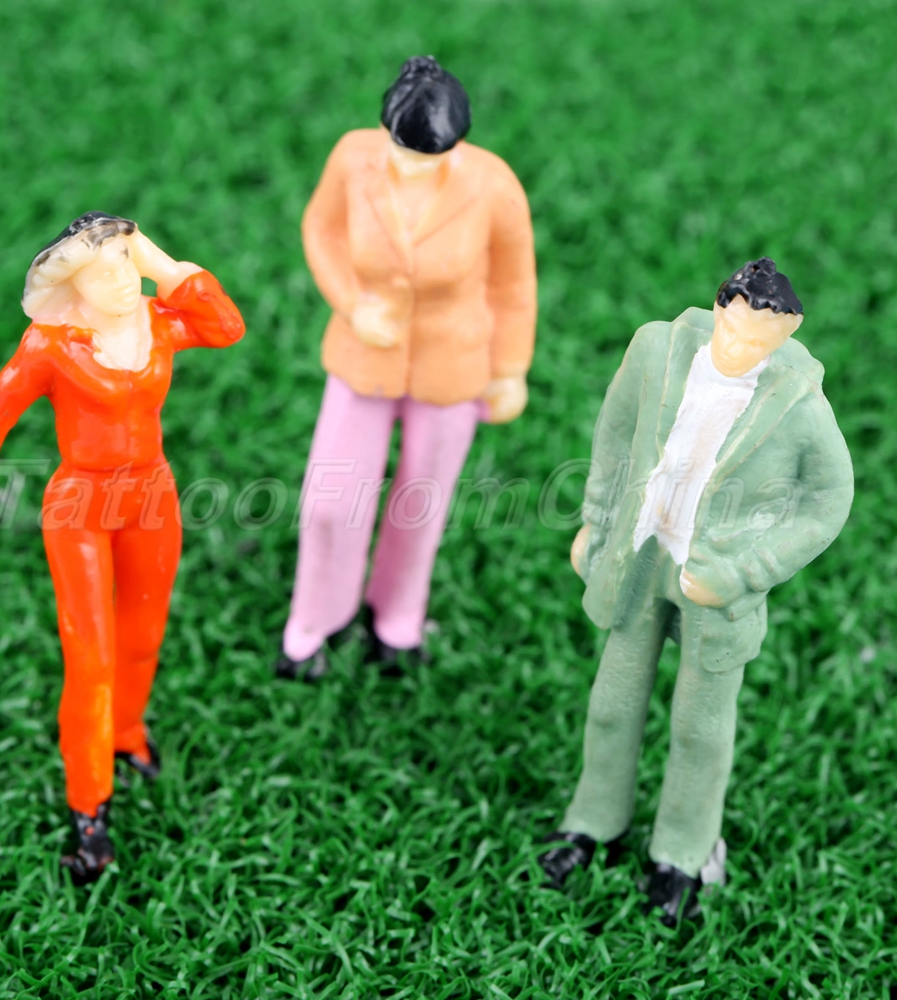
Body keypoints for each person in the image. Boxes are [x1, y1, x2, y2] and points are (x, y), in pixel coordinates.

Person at [0, 212, 245, 882]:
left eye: (125, 263)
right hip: (80, 504)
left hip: (152, 495)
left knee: (144, 635)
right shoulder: (52, 345)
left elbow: (225, 327)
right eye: (103, 273)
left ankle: (127, 732)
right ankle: (89, 804)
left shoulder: (156, 322)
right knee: (90, 656)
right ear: (72, 285)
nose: (123, 282)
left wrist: (161, 264)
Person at [541, 258, 853, 924]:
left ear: (786, 335)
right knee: (613, 702)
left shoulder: (798, 403)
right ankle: (592, 822)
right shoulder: (659, 350)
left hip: (715, 584)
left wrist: (745, 572)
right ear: (718, 309)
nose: (738, 348)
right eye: (732, 331)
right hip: (641, 557)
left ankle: (681, 853)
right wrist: (597, 517)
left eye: (757, 342)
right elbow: (616, 429)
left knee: (700, 727)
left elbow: (829, 500)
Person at [278, 56, 538, 678]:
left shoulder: (492, 185)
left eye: (430, 155)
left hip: (453, 362)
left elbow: (513, 283)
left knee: (421, 499)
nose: (413, 164)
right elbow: (322, 232)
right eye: (403, 150)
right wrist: (353, 304)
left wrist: (509, 368)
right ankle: (315, 620)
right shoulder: (352, 159)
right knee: (332, 499)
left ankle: (397, 618)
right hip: (364, 354)